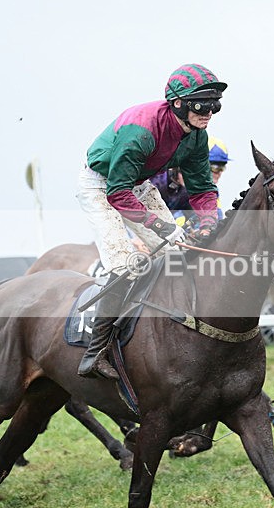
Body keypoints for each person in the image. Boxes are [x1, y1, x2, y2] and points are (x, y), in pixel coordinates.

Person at [76, 63, 226, 379]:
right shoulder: (141, 131)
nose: (208, 112)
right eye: (201, 104)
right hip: (103, 185)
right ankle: (96, 353)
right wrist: (161, 226)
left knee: (176, 256)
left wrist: (209, 221)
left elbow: (201, 189)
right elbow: (117, 193)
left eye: (214, 104)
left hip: (139, 185)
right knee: (125, 265)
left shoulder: (197, 136)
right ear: (178, 103)